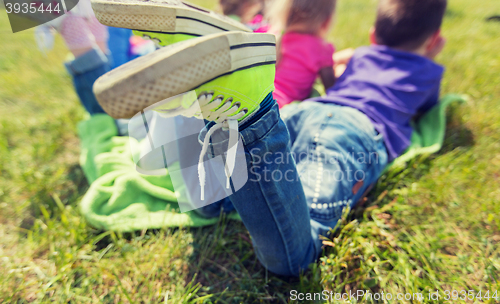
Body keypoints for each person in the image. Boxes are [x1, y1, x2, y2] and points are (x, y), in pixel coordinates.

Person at [90, 0, 447, 276]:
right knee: (295, 256)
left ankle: (207, 90)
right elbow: (426, 108)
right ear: (435, 41)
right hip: (351, 133)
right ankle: (253, 109)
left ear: (372, 35)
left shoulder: (363, 55)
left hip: (307, 111)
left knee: (214, 202)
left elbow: (336, 79)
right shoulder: (429, 72)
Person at [269, 0, 337, 107]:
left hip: (261, 100)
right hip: (281, 108)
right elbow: (331, 89)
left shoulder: (274, 37)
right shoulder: (321, 48)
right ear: (326, 21)